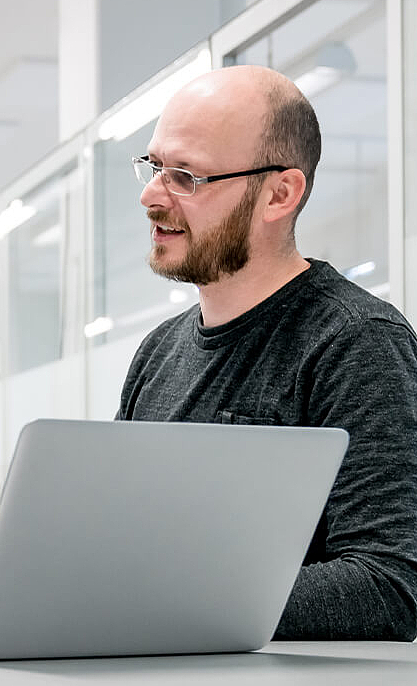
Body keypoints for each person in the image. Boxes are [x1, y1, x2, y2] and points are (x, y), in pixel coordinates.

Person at [115, 65, 417, 640]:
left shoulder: (357, 342)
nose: (152, 195)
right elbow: (123, 541)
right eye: (154, 166)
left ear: (279, 194)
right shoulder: (157, 354)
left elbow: (390, 584)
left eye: (186, 176)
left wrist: (167, 600)